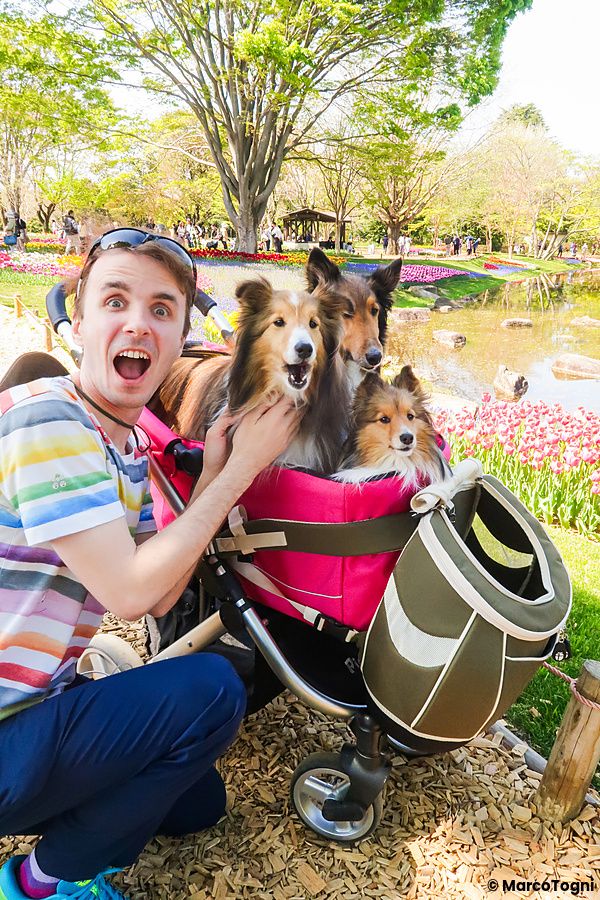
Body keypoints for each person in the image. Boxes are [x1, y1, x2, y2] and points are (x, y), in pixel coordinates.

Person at [0, 228, 299, 900]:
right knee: (213, 692)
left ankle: (75, 819)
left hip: (36, 706)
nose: (138, 322)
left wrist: (214, 472)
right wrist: (244, 470)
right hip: (8, 731)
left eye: (162, 309)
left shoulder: (126, 444)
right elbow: (131, 593)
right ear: (79, 324)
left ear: (180, 336)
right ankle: (39, 882)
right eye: (115, 301)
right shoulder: (48, 420)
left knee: (198, 804)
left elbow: (162, 597)